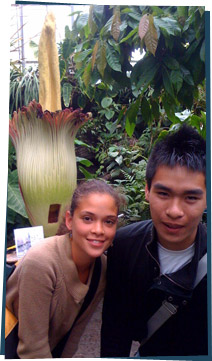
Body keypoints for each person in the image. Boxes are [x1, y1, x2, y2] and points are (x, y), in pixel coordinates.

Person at [101, 125, 207, 357]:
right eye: (163, 194)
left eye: (190, 197)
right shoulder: (124, 246)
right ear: (147, 190)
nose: (174, 211)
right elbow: (114, 335)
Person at [6, 179, 123, 358]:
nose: (99, 230)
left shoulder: (101, 268)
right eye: (87, 219)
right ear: (69, 220)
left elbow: (73, 336)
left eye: (109, 222)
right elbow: (32, 348)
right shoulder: (41, 263)